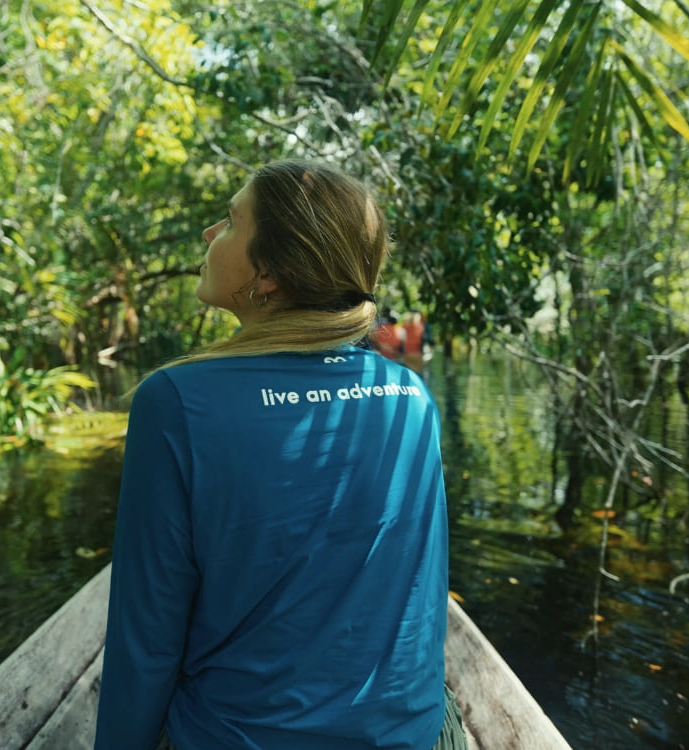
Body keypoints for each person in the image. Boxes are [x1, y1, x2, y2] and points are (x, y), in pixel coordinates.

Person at [93, 160, 466, 750]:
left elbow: (146, 642)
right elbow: (420, 598)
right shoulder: (409, 397)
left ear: (267, 274)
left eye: (232, 222)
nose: (210, 234)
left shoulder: (176, 401)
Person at [401, 309, 428, 373]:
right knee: (418, 376)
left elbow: (402, 340)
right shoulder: (421, 326)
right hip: (418, 354)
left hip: (407, 354)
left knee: (408, 376)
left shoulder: (404, 326)